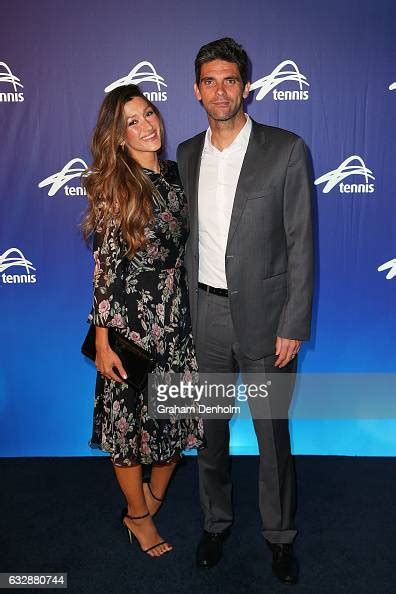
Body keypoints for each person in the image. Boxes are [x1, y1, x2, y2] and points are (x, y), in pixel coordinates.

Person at [177, 38, 313, 583]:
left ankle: (279, 539)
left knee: (271, 436)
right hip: (205, 318)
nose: (219, 91)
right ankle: (215, 524)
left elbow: (301, 243)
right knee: (210, 433)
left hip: (266, 323)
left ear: (247, 87)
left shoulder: (285, 149)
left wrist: (293, 323)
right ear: (196, 90)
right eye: (209, 81)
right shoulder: (186, 155)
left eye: (229, 80)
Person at [82, 84, 205, 558]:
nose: (146, 125)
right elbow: (105, 268)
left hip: (176, 321)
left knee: (174, 423)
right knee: (128, 427)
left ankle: (151, 498)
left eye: (148, 113)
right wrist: (103, 341)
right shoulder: (115, 184)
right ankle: (137, 517)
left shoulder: (177, 176)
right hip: (129, 327)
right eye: (132, 121)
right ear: (117, 136)